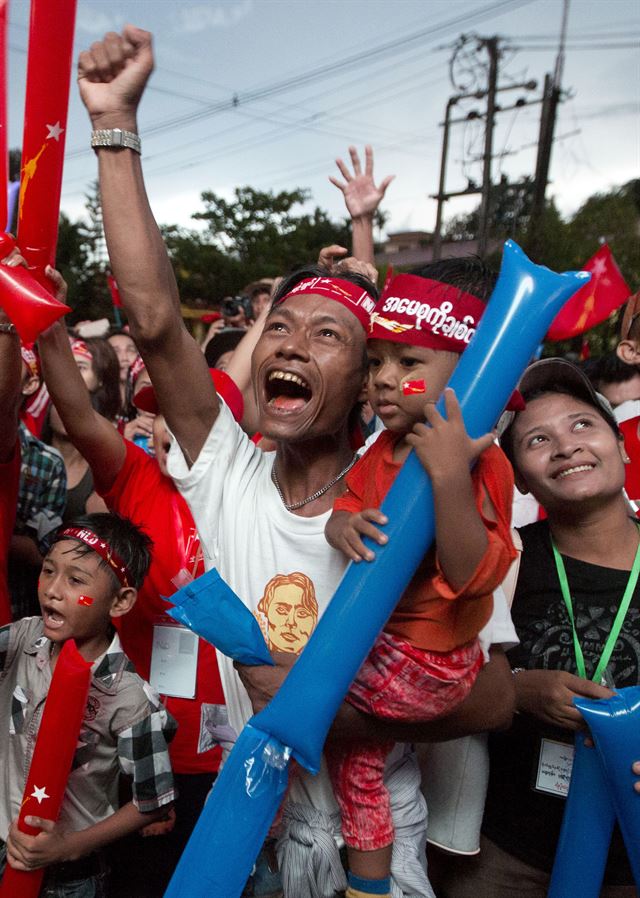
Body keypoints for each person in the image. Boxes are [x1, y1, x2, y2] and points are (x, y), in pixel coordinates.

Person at [76, 26, 515, 897]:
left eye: (327, 336)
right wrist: (116, 125)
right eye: (279, 327)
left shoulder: (427, 483)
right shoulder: (228, 470)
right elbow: (158, 321)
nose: (290, 344)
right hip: (251, 827)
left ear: (364, 382)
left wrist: (318, 708)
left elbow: (496, 698)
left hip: (377, 855)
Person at [324, 262, 516, 898]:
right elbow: (347, 506)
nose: (382, 380)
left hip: (431, 662)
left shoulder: (480, 459)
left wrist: (449, 476)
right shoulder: (381, 448)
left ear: (465, 370)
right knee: (362, 763)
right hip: (390, 650)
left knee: (320, 723)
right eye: (375, 362)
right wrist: (341, 529)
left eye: (406, 362)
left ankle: (369, 886)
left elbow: (473, 574)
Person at [38, 310, 233, 897]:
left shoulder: (261, 497)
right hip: (132, 735)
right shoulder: (137, 475)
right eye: (159, 412)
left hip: (226, 747)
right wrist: (45, 323)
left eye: (186, 413)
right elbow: (76, 413)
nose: (167, 425)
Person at [431, 358, 638, 898]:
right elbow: (441, 687)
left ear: (622, 445)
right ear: (518, 476)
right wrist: (518, 691)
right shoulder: (505, 559)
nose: (566, 446)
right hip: (507, 854)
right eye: (538, 439)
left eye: (583, 425)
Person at [0, 512, 177, 896]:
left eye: (75, 580)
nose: (52, 589)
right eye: (48, 571)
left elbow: (154, 801)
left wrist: (69, 847)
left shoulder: (129, 697)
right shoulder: (21, 642)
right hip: (5, 849)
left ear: (120, 601)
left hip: (72, 876)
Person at [8, 346, 67, 619]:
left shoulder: (46, 463)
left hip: (11, 611)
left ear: (30, 383)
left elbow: (38, 552)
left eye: (7, 362)